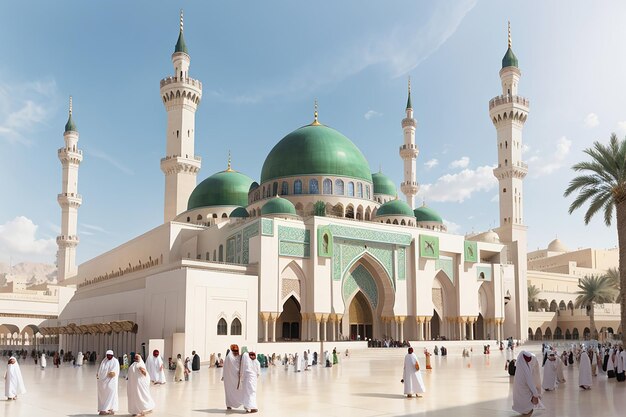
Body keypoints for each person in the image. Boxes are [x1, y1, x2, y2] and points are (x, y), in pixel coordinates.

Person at [512, 351, 542, 415]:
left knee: (522, 404)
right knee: (528, 408)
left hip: (519, 391)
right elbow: (530, 382)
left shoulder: (519, 367)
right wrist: (535, 394)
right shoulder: (525, 369)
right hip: (524, 391)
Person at [97, 350, 120, 416]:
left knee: (112, 394)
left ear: (112, 355)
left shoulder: (115, 361)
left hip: (111, 382)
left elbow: (115, 371)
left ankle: (111, 408)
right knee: (104, 396)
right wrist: (99, 375)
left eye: (110, 355)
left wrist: (112, 373)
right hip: (103, 383)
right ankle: (103, 409)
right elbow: (101, 370)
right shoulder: (104, 361)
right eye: (108, 355)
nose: (109, 356)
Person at [222, 344, 243, 410]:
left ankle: (240, 402)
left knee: (239, 391)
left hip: (237, 379)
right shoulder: (229, 358)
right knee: (228, 391)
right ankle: (229, 405)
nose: (236, 352)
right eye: (234, 350)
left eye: (237, 350)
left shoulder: (239, 357)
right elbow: (226, 368)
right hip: (229, 379)